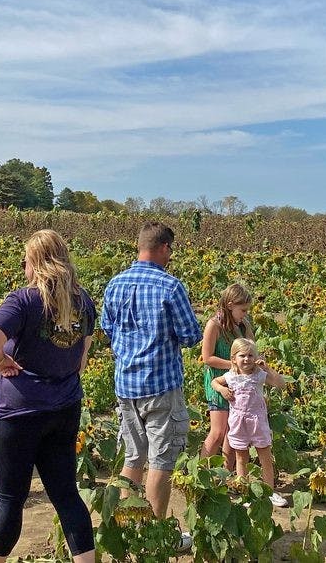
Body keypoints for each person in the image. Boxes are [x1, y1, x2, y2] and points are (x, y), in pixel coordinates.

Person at [0, 229, 96, 563]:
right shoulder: (83, 301)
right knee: (67, 496)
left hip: (21, 412)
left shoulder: (25, 300)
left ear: (36, 263)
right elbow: (82, 358)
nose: (24, 269)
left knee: (10, 501)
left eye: (25, 262)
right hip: (65, 408)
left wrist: (0, 361)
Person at [101, 221, 203, 530]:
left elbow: (107, 328)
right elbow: (190, 335)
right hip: (161, 385)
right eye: (170, 250)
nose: (170, 256)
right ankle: (155, 532)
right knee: (162, 459)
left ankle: (129, 525)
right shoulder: (170, 286)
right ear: (163, 247)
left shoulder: (115, 284)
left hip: (126, 384)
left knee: (133, 456)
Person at [211, 337, 291, 508]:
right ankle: (245, 492)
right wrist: (222, 390)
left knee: (265, 456)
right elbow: (214, 382)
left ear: (255, 357)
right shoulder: (231, 376)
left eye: (250, 355)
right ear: (234, 358)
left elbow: (281, 384)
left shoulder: (259, 375)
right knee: (241, 458)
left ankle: (269, 492)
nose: (246, 359)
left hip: (257, 422)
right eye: (242, 356)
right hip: (238, 422)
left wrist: (267, 368)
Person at [200, 283, 255, 470]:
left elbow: (251, 348)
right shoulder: (214, 325)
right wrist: (233, 365)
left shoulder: (243, 325)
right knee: (218, 432)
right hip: (218, 382)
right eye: (243, 310)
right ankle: (200, 474)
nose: (245, 314)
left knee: (233, 433)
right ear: (230, 305)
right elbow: (207, 358)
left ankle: (226, 476)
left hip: (238, 383)